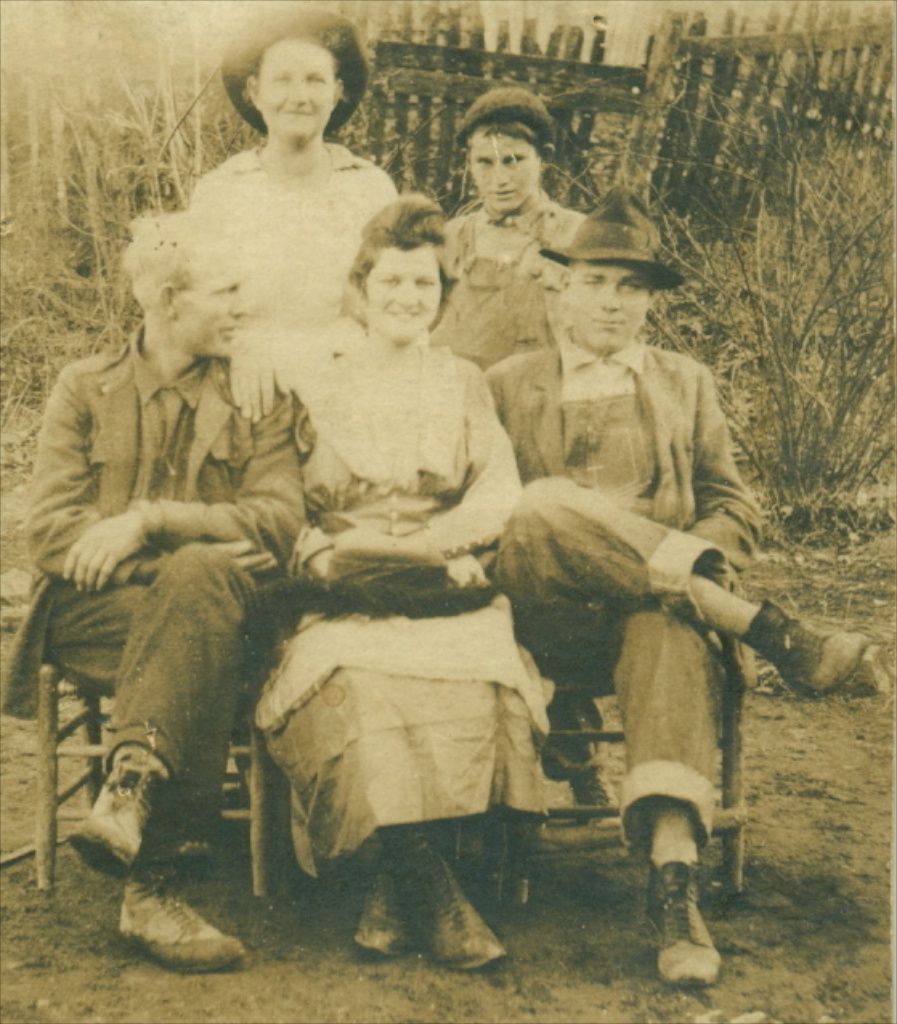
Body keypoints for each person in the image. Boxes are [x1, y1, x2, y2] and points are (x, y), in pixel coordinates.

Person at [487, 189, 888, 987]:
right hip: (546, 615)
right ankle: (763, 628)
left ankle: (673, 887)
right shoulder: (505, 382)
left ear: (650, 301)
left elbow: (731, 504)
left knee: (665, 628)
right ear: (561, 288)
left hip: (656, 608)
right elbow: (490, 515)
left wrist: (690, 560)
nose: (611, 302)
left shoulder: (684, 381)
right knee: (538, 505)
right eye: (594, 282)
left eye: (630, 287)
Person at [2, 212, 305, 973]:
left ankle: (134, 800)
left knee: (200, 594)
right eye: (225, 290)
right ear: (169, 299)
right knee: (198, 588)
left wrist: (148, 523)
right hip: (96, 614)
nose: (242, 306)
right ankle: (150, 881)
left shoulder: (257, 394)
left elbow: (277, 522)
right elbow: (51, 533)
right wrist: (175, 561)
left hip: (219, 616)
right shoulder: (84, 387)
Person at [255, 195, 549, 971]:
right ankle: (431, 892)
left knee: (479, 676)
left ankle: (396, 888)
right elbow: (279, 494)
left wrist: (435, 543)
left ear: (442, 296)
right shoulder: (313, 378)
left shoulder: (462, 380)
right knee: (357, 684)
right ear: (360, 287)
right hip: (343, 579)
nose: (406, 297)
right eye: (390, 281)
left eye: (422, 284)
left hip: (440, 573)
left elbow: (497, 487)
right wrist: (326, 553)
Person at [189, 4, 397, 420]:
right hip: (248, 394)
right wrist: (240, 345)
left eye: (315, 80)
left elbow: (391, 298)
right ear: (254, 91)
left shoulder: (371, 190)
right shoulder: (220, 192)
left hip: (349, 387)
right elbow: (197, 305)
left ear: (337, 92)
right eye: (282, 80)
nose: (299, 97)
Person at [431, 85, 584, 371]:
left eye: (513, 161)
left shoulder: (576, 235)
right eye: (485, 162)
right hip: (455, 388)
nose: (500, 179)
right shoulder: (451, 237)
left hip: (535, 389)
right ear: (469, 163)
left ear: (543, 157)